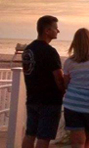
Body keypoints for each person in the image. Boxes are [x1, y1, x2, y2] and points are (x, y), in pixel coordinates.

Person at [22, 15, 64, 148]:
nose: (58, 31)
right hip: (49, 101)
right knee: (44, 137)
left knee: (30, 134)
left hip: (32, 98)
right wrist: (64, 90)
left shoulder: (28, 50)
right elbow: (59, 77)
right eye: (56, 28)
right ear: (47, 30)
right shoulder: (49, 52)